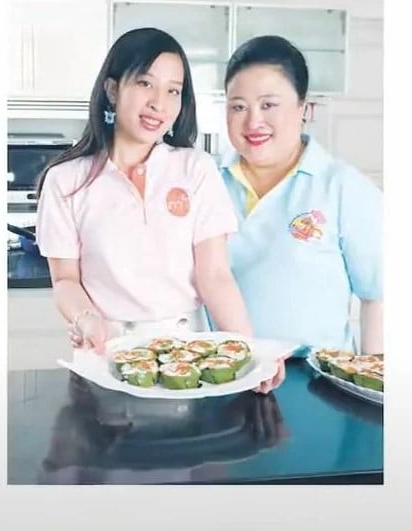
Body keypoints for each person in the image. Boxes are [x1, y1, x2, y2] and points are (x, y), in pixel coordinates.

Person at [35, 27, 284, 393]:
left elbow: (215, 275)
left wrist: (250, 354)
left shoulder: (196, 169)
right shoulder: (66, 180)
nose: (159, 103)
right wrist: (87, 320)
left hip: (191, 359)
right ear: (112, 90)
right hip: (106, 354)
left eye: (173, 91)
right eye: (145, 84)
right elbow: (65, 281)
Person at [216, 35, 383, 356]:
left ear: (302, 108)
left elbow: (378, 296)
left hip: (316, 374)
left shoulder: (342, 187)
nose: (253, 121)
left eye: (268, 105)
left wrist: (373, 378)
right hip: (224, 372)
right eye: (238, 107)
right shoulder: (207, 181)